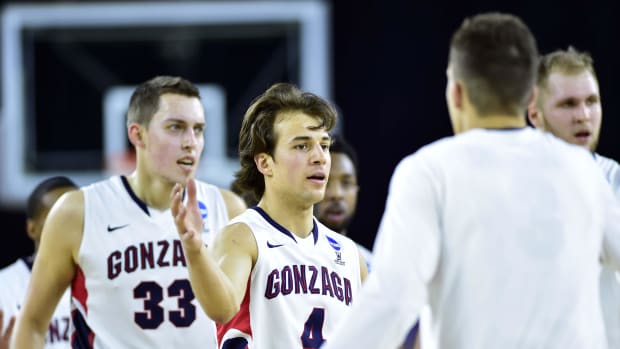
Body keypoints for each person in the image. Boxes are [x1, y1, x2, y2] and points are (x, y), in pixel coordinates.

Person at [322, 12, 620, 349]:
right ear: (529, 97)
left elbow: (393, 300)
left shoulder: (430, 171)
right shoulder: (583, 170)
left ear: (457, 92)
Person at [11, 76, 246, 349]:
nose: (190, 142)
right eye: (176, 127)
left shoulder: (228, 208)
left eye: (198, 129)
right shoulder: (78, 212)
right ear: (137, 134)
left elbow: (239, 320)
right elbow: (33, 324)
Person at [171, 82, 368, 348]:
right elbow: (222, 308)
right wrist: (195, 251)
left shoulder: (350, 254)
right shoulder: (242, 236)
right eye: (302, 146)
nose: (320, 157)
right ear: (264, 162)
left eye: (323, 145)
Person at [527, 47, 620, 347]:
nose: (583, 116)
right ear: (535, 114)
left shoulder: (613, 178)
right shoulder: (511, 185)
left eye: (592, 102)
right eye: (568, 104)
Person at [0, 176, 77, 349]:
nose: (68, 226)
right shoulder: (4, 287)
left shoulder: (107, 280)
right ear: (32, 228)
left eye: (76, 218)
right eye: (57, 218)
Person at [314, 136, 372, 265]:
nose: (336, 194)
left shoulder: (372, 266)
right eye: (325, 181)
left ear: (357, 190)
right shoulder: (285, 260)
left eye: (346, 183)